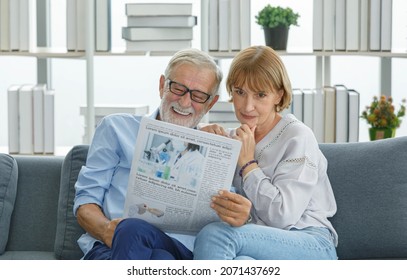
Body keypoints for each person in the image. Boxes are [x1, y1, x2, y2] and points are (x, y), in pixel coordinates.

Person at [73, 48, 223, 260]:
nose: (184, 102)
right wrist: (107, 229)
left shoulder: (218, 147)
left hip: (180, 248)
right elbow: (85, 202)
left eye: (198, 96)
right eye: (178, 88)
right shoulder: (115, 128)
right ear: (162, 85)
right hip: (114, 244)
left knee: (139, 234)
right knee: (141, 240)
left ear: (210, 103)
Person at [194, 45, 338, 260]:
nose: (248, 106)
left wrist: (248, 165)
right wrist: (200, 143)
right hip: (260, 241)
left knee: (217, 236)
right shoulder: (233, 138)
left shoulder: (298, 136)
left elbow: (283, 217)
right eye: (240, 92)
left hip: (311, 243)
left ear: (278, 96)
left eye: (260, 95)